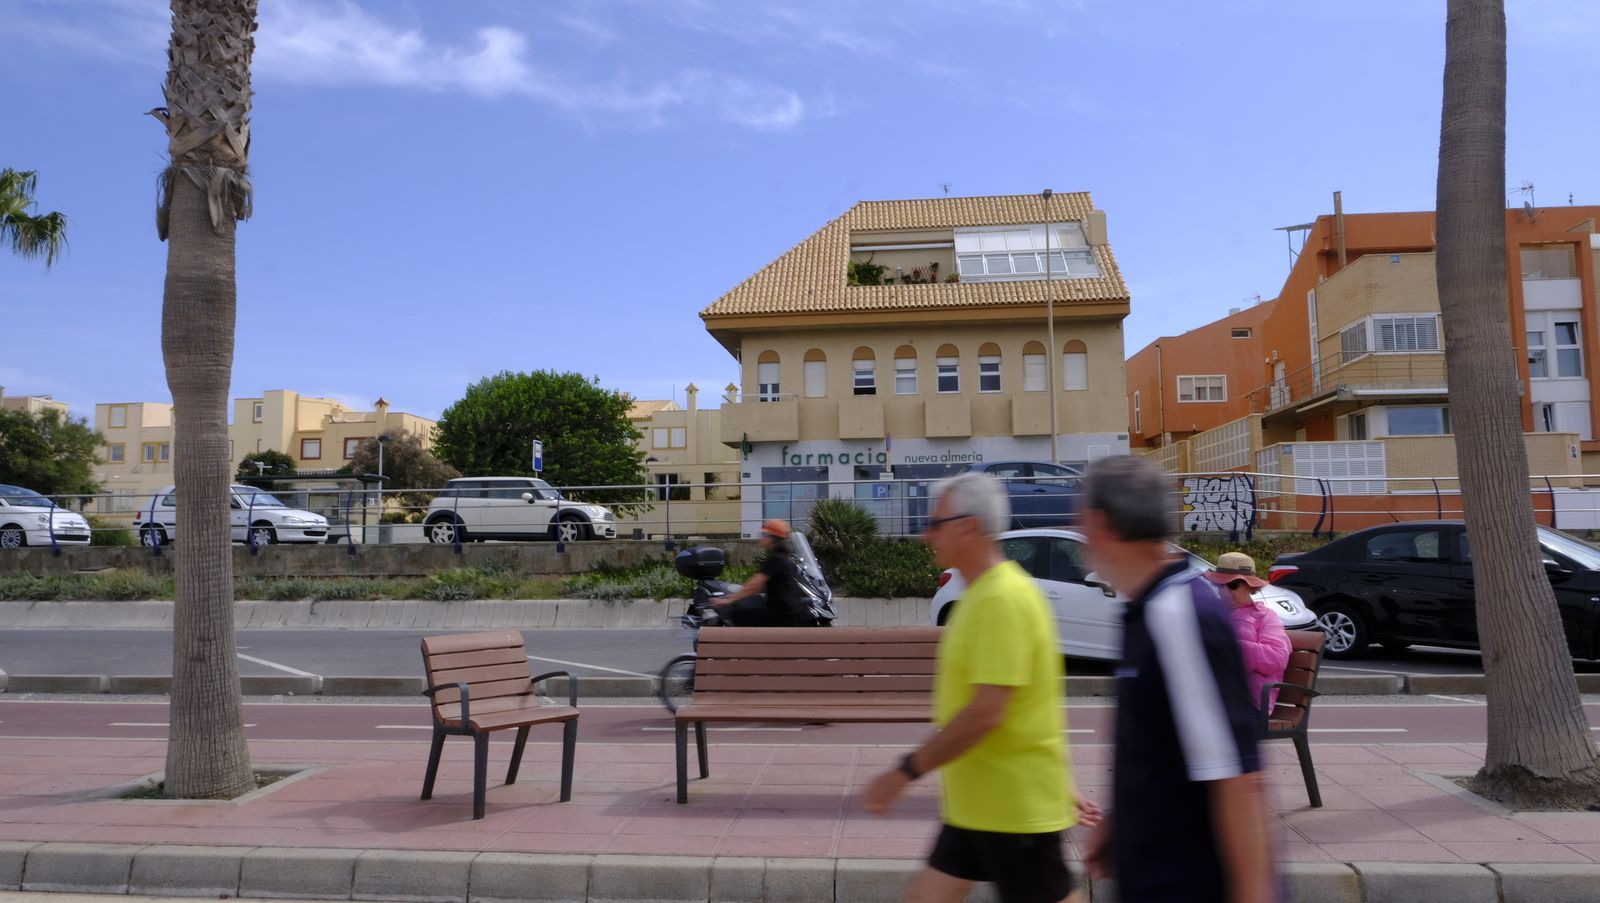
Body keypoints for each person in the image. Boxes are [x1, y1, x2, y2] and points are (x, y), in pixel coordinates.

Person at [861, 472, 1100, 903]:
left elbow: (986, 712)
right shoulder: (980, 595)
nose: (926, 535)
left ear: (968, 526)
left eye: (936, 523)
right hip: (976, 802)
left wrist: (904, 772)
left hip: (1012, 808)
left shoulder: (1001, 599)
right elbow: (1029, 703)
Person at [1079, 456, 1276, 903]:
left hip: (1189, 883)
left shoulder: (1178, 615)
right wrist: (1120, 821)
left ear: (1099, 524)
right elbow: (1167, 744)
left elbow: (1237, 778)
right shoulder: (1147, 609)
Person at [1204, 552, 1292, 714]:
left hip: (1247, 701)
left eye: (1232, 585)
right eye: (1219, 585)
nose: (1224, 591)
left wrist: (1230, 646)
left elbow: (1276, 657)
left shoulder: (1265, 616)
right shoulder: (1212, 613)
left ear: (1251, 586)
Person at [712, 518, 812, 626]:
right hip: (793, 612)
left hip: (781, 614)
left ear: (772, 538)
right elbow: (762, 587)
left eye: (764, 534)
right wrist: (735, 596)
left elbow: (754, 586)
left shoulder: (775, 559)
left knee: (736, 615)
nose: (762, 537)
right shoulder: (787, 559)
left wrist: (729, 601)